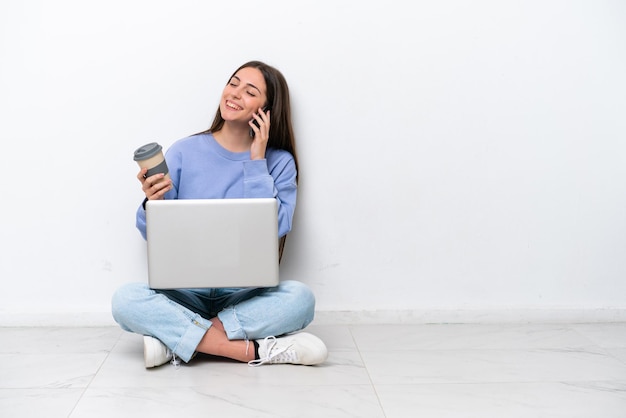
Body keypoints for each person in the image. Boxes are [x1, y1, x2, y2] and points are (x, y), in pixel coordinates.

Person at [111, 60, 327, 368]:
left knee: (300, 299)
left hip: (244, 296)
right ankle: (250, 351)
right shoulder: (184, 151)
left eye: (250, 91)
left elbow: (276, 228)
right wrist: (152, 202)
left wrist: (256, 163)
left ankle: (178, 341)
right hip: (184, 293)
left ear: (267, 110)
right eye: (233, 82)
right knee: (125, 300)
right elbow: (152, 231)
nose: (235, 93)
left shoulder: (279, 163)